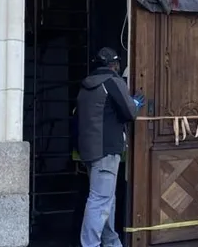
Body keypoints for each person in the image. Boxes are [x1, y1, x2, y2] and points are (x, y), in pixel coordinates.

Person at [74, 47, 144, 247]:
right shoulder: (113, 82)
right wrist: (135, 104)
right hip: (106, 150)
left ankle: (112, 243)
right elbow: (129, 112)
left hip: (89, 150)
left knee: (106, 201)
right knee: (100, 201)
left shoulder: (86, 85)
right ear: (115, 65)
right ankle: (90, 244)